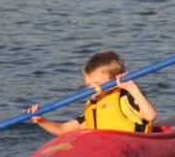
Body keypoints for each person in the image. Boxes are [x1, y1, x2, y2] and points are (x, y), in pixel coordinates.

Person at [26, 50, 157, 136]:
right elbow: (63, 129)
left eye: (98, 84)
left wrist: (132, 88)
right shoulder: (93, 106)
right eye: (89, 85)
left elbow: (151, 116)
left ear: (115, 79)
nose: (93, 89)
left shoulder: (126, 98)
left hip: (132, 150)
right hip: (103, 151)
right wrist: (41, 120)